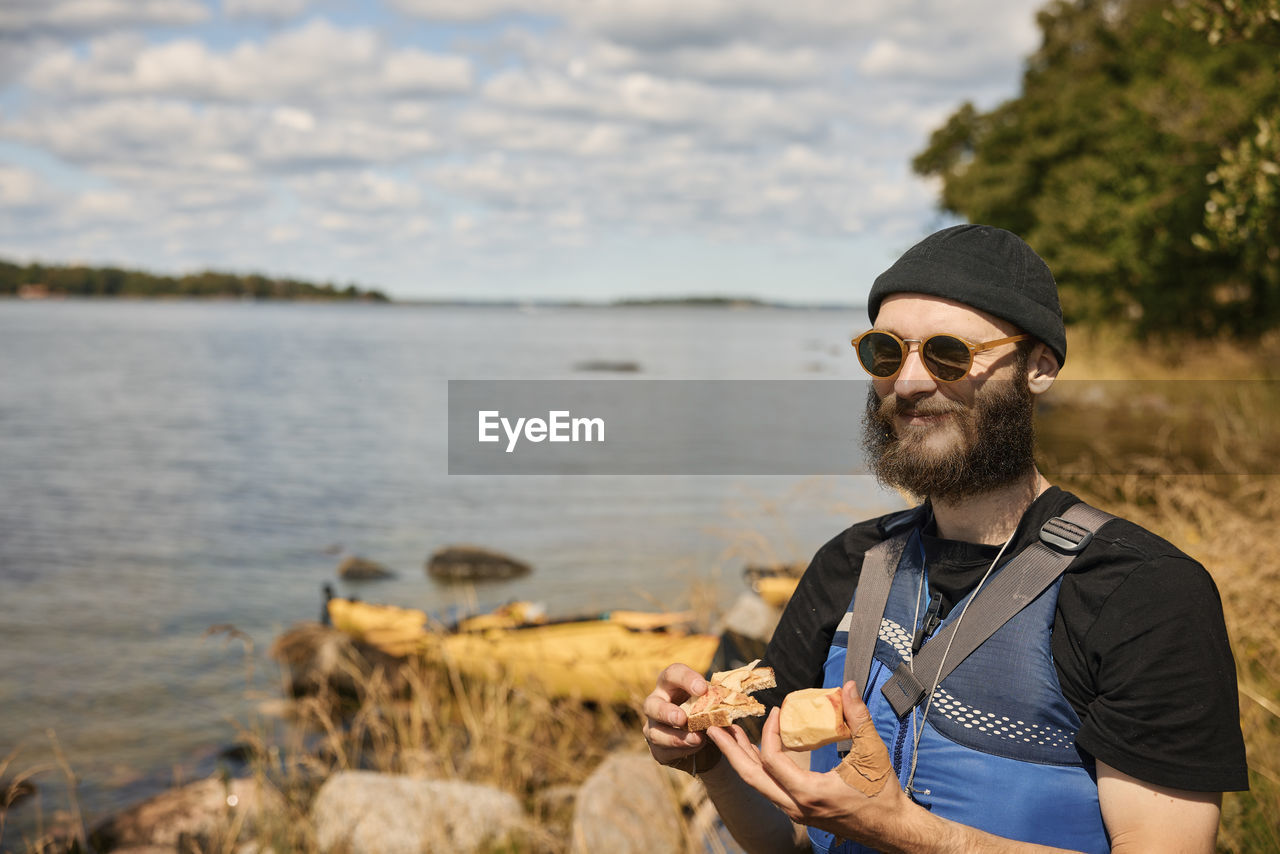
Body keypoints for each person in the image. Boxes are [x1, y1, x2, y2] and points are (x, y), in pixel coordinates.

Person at [642, 224, 1248, 853]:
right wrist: (704, 759)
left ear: (1038, 367)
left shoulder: (1142, 590)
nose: (906, 384)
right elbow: (785, 841)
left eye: (947, 353)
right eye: (885, 352)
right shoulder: (849, 564)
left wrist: (910, 832)